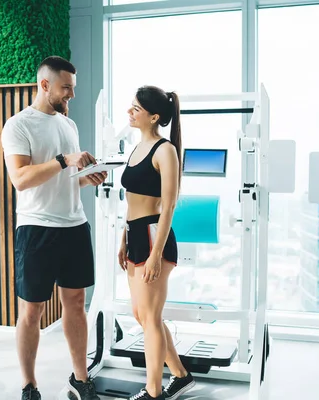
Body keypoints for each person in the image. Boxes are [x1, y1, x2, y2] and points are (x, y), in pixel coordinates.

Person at [1, 56, 105, 400]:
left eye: (72, 88)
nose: (71, 95)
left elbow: (66, 180)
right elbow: (20, 179)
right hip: (37, 228)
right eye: (66, 88)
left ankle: (80, 379)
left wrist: (88, 178)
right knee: (32, 310)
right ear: (44, 85)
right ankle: (29, 386)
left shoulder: (68, 126)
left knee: (76, 303)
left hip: (75, 225)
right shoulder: (18, 125)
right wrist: (64, 160)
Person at [118, 86, 196, 400]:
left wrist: (156, 254)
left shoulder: (165, 151)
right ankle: (180, 374)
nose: (130, 112)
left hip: (154, 236)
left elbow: (169, 205)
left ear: (154, 117)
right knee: (142, 314)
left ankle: (153, 392)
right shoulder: (137, 149)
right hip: (135, 234)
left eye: (136, 109)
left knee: (150, 317)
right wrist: (124, 239)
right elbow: (130, 202)